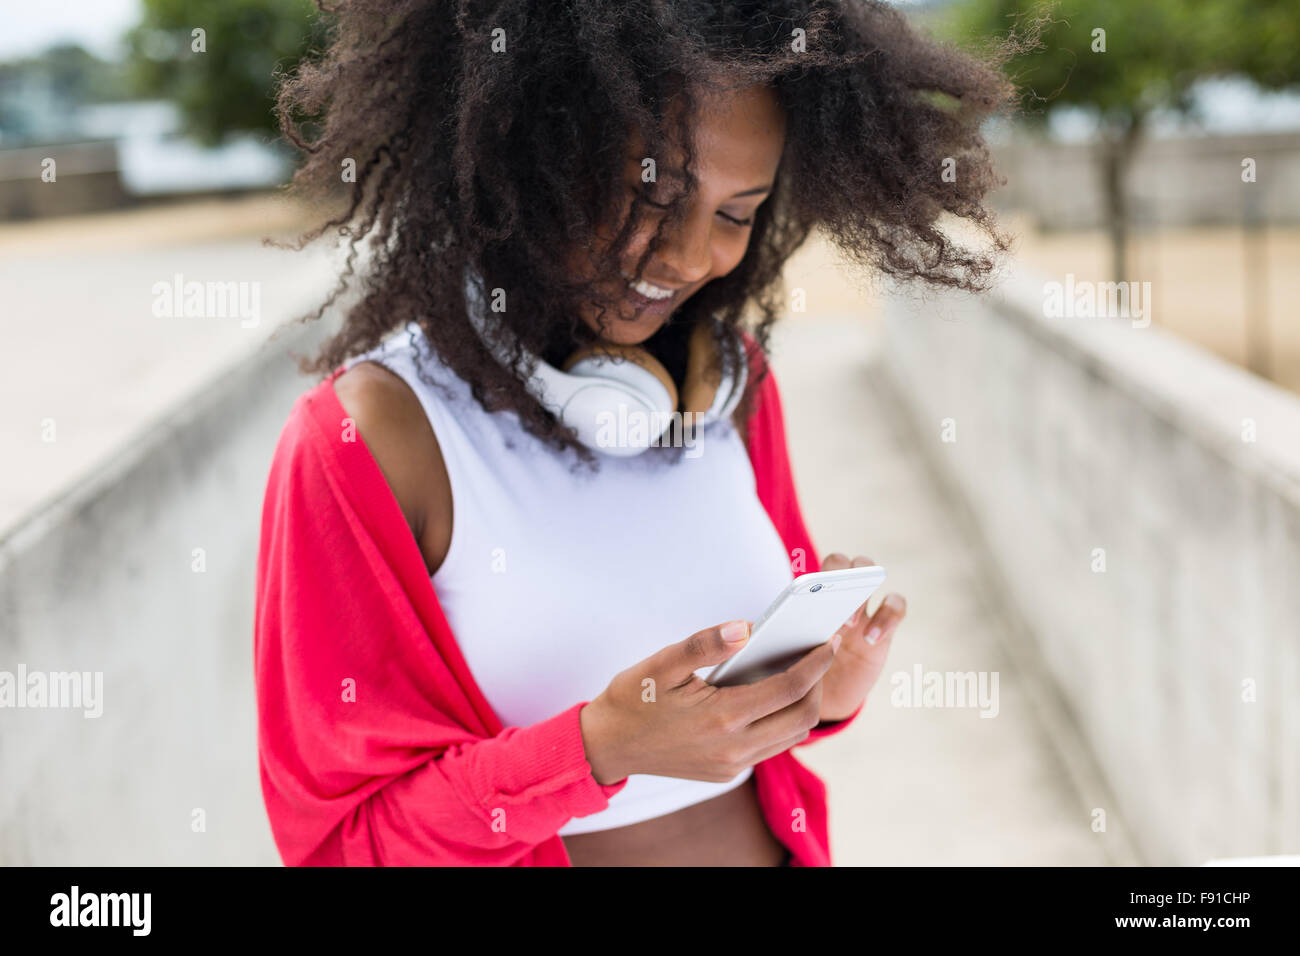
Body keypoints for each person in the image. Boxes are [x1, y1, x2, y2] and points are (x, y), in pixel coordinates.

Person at [256, 0, 1013, 866]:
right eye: (654, 198)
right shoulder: (370, 440)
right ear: (529, 153)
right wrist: (595, 751)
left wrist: (819, 690)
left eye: (738, 214)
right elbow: (343, 845)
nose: (693, 259)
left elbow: (759, 704)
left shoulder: (727, 383)